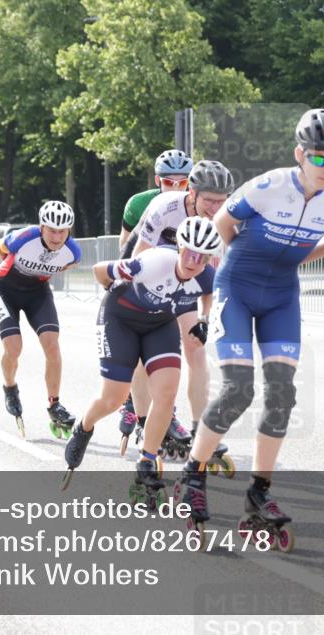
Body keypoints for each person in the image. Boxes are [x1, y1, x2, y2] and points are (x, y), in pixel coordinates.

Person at [177, 108, 324, 551]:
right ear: (300, 154)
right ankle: (192, 476)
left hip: (282, 296)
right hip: (238, 288)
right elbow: (222, 224)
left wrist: (297, 260)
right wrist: (237, 262)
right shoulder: (267, 186)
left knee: (282, 393)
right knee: (238, 390)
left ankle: (259, 492)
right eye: (318, 158)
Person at [62, 217, 222, 496]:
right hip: (120, 319)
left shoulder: (205, 275)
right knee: (113, 398)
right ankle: (83, 427)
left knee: (166, 394)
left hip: (159, 324)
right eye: (189, 252)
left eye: (202, 257)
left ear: (209, 259)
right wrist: (113, 290)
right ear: (179, 247)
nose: (193, 261)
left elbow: (208, 293)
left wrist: (204, 319)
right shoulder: (153, 262)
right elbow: (100, 271)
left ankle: (146, 461)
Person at [119, 161, 237, 466]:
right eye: (209, 200)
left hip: (185, 275)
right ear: (192, 193)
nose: (215, 208)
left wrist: (205, 318)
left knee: (196, 348)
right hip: (148, 270)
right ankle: (146, 420)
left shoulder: (221, 219)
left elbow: (211, 272)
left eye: (221, 201)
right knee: (145, 352)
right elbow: (138, 257)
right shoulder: (165, 207)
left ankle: (201, 429)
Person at [0, 200, 81, 439]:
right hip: (6, 289)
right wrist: (12, 267)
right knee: (13, 348)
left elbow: (62, 266)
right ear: (41, 227)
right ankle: (10, 387)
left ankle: (55, 404)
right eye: (51, 230)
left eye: (62, 231)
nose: (57, 237)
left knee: (52, 345)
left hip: (37, 293)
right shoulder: (23, 237)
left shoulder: (73, 252)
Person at [118, 149, 193, 253]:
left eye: (182, 183)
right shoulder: (137, 204)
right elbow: (125, 245)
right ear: (158, 181)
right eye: (168, 182)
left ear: (189, 183)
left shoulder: (198, 205)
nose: (175, 188)